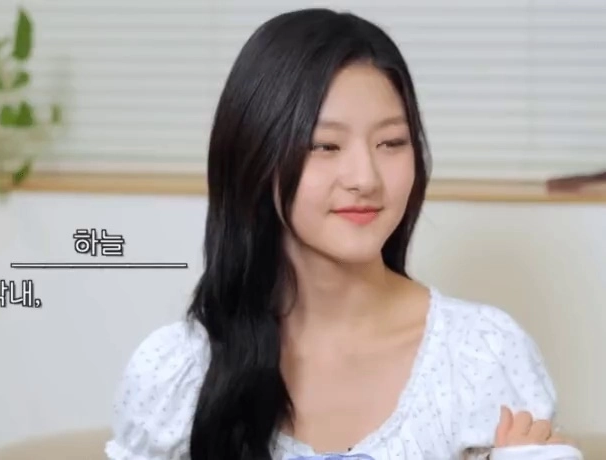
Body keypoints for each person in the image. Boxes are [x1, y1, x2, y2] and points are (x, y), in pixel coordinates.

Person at [104, 8, 582, 460]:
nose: (365, 178)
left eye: (391, 142)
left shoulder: (483, 356)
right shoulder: (178, 372)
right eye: (325, 145)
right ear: (255, 156)